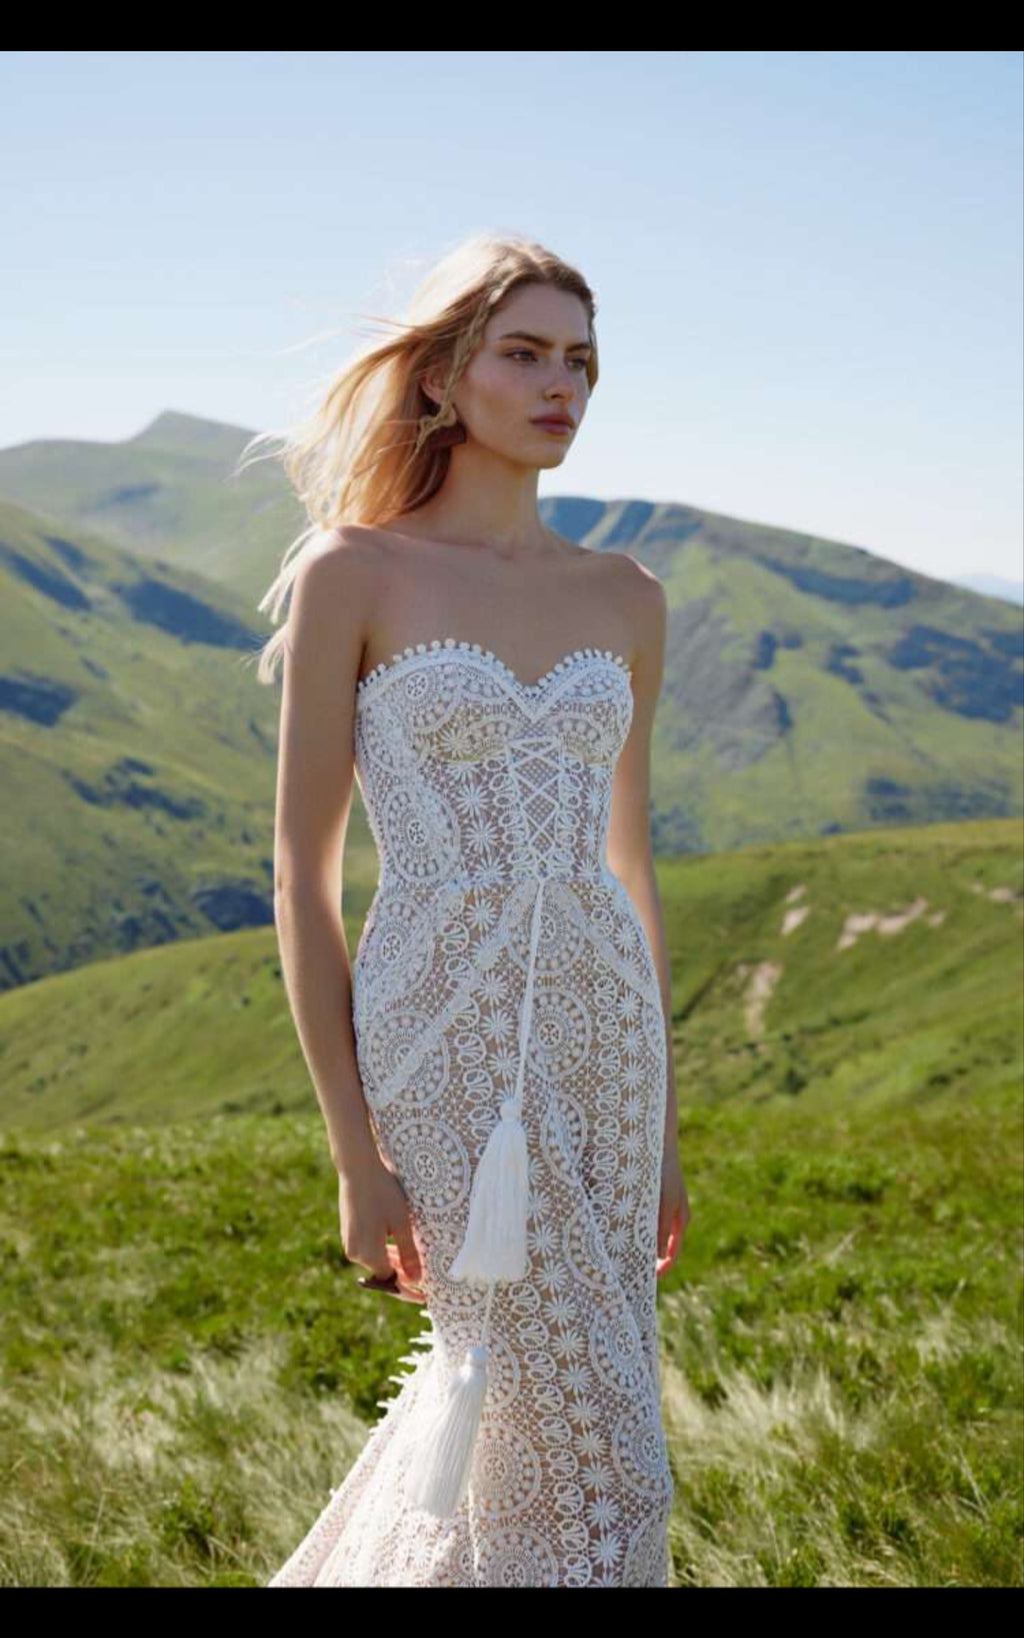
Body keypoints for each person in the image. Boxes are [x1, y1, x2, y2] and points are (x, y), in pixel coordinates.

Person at [246, 232, 690, 1587]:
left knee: (523, 1423)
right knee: (598, 1450)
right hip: (441, 1033)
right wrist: (354, 1152)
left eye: (582, 362)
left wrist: (667, 1125)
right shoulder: (353, 571)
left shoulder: (626, 596)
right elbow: (302, 873)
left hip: (608, 1043)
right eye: (527, 354)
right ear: (444, 377)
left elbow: (630, 864)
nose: (562, 386)